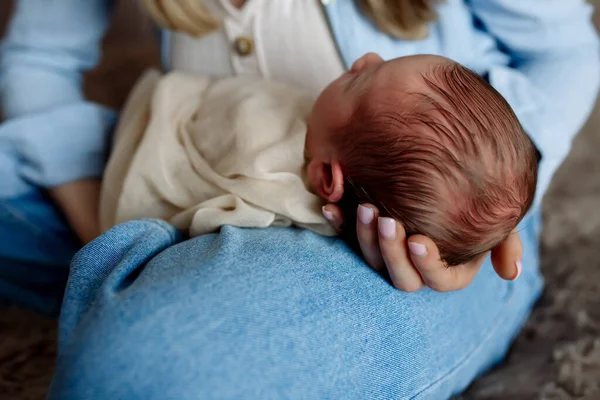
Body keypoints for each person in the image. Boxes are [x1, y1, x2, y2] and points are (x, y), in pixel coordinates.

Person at [0, 0, 597, 398]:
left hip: (412, 243)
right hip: (190, 163)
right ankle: (154, 265)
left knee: (138, 371)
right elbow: (38, 62)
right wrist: (95, 216)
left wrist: (481, 197)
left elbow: (568, 50)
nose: (366, 62)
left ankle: (167, 289)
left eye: (367, 75)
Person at [101, 54, 537, 268]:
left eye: (360, 78)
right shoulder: (320, 139)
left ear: (326, 177)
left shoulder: (266, 165)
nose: (364, 58)